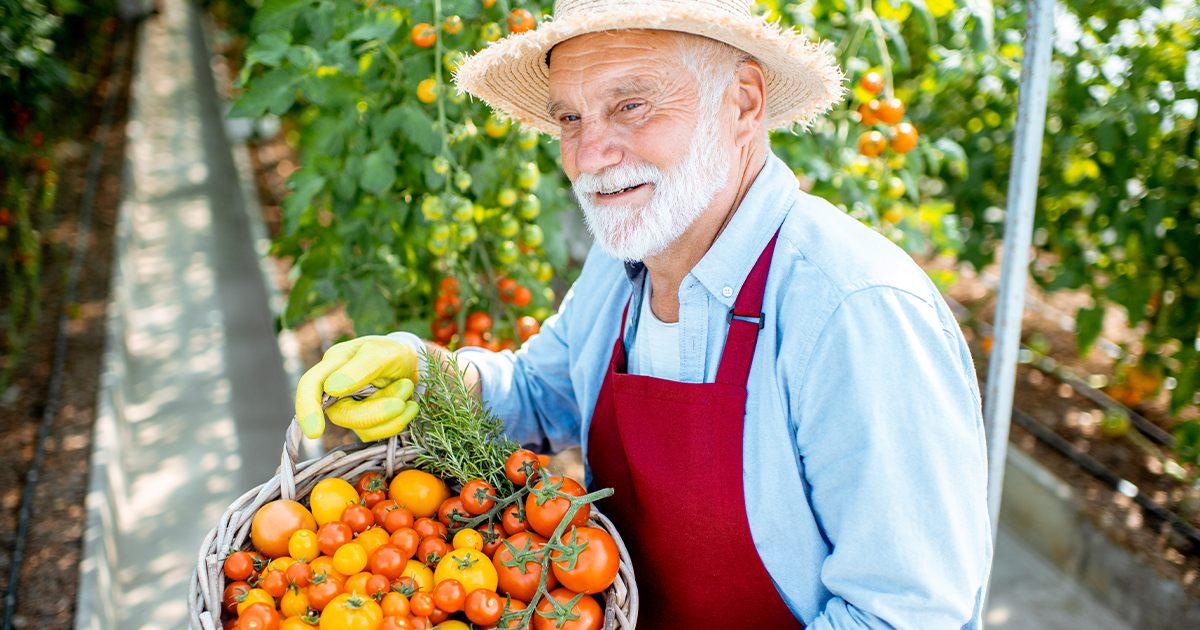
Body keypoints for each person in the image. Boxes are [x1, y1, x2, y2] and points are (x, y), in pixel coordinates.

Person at [294, 0, 992, 627]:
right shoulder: (625, 263)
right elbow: (540, 395)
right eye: (570, 118)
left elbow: (906, 611)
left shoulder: (854, 310)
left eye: (631, 105)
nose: (590, 155)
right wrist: (427, 374)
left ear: (744, 103)